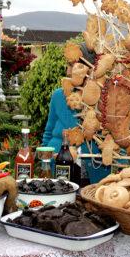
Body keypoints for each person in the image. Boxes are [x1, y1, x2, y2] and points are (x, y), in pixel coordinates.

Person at [42, 44, 110, 184]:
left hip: (93, 168)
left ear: (90, 69)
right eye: (69, 66)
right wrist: (45, 160)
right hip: (59, 165)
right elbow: (49, 131)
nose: (68, 71)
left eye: (74, 66)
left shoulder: (105, 99)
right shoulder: (59, 96)